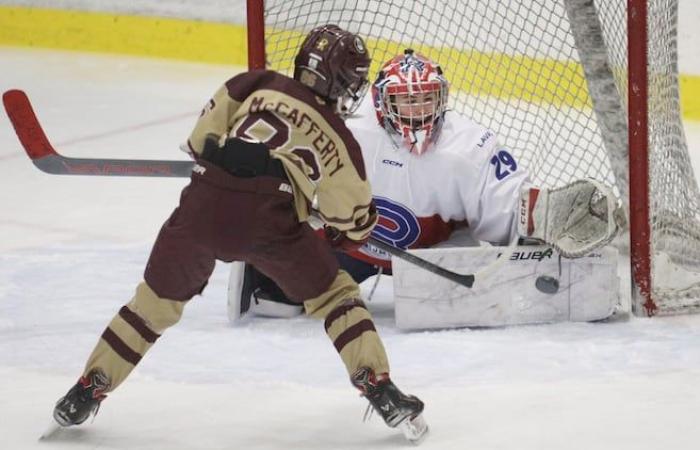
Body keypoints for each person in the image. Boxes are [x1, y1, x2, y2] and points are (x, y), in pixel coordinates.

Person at [51, 26, 427, 443]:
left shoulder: (255, 82)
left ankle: (86, 389)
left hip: (202, 203)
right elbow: (355, 223)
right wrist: (320, 217)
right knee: (337, 296)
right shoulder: (339, 136)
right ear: (344, 81)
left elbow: (199, 143)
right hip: (270, 221)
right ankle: (379, 387)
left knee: (152, 305)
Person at [229, 49, 623, 322]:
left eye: (426, 101)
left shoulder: (467, 146)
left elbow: (505, 203)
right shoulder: (350, 132)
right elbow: (293, 166)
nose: (417, 113)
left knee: (465, 308)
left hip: (436, 258)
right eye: (406, 102)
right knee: (281, 294)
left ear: (443, 99)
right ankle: (266, 272)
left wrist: (539, 213)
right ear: (383, 104)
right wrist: (258, 173)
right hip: (351, 248)